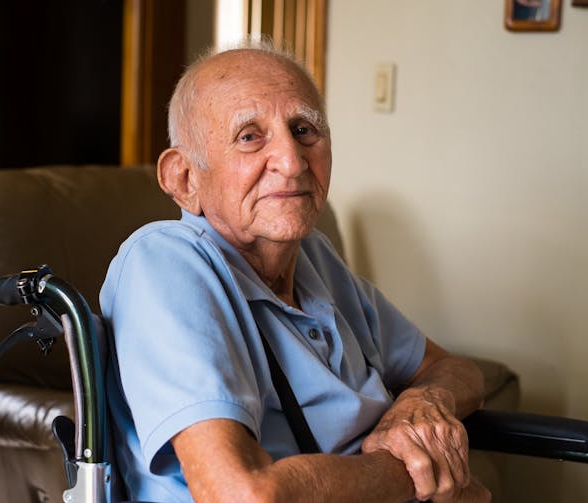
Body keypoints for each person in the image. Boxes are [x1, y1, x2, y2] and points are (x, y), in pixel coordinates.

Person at [100, 42, 490, 503]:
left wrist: (423, 406)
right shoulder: (164, 263)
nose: (292, 160)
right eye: (250, 136)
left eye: (304, 129)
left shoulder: (314, 258)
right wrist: (414, 470)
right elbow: (242, 495)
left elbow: (452, 368)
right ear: (185, 179)